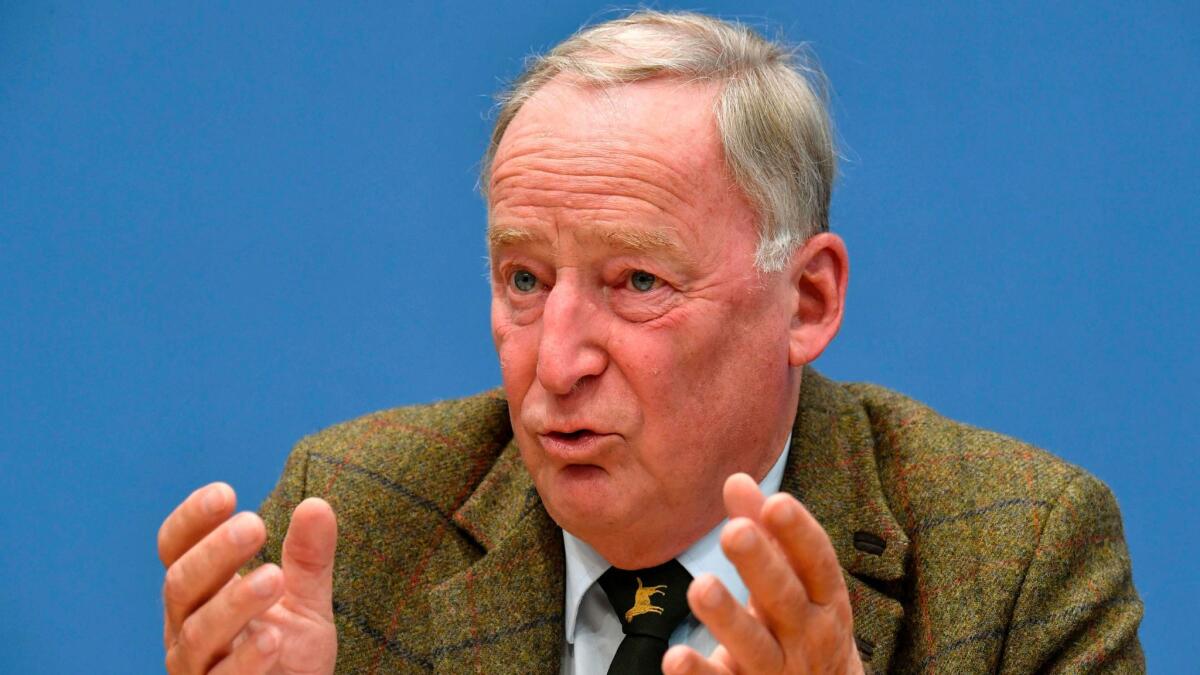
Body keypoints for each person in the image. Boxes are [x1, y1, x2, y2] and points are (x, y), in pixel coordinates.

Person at [156, 10, 1144, 674]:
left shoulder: (1017, 559)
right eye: (526, 281)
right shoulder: (360, 520)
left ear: (806, 300)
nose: (555, 364)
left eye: (637, 283)